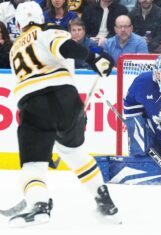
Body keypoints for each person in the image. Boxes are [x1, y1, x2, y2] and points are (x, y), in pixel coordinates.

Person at [9, 1, 120, 227]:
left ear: (19, 24)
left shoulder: (13, 49)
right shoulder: (48, 30)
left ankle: (39, 206)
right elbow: (66, 48)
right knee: (75, 153)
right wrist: (94, 58)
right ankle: (105, 203)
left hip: (34, 104)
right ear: (40, 17)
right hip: (66, 99)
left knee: (33, 165)